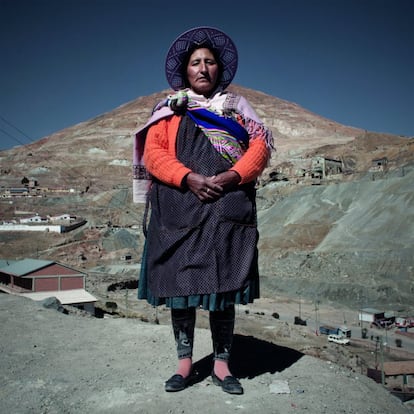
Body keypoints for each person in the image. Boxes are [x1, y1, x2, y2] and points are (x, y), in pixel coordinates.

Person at [133, 26, 273, 395]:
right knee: (181, 289)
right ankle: (184, 363)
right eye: (195, 62)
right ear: (185, 71)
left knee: (224, 289)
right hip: (180, 209)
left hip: (228, 207)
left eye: (210, 61)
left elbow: (259, 148)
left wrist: (232, 175)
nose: (203, 68)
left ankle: (222, 365)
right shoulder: (169, 110)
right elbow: (154, 154)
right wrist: (188, 178)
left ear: (219, 69)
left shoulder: (239, 110)